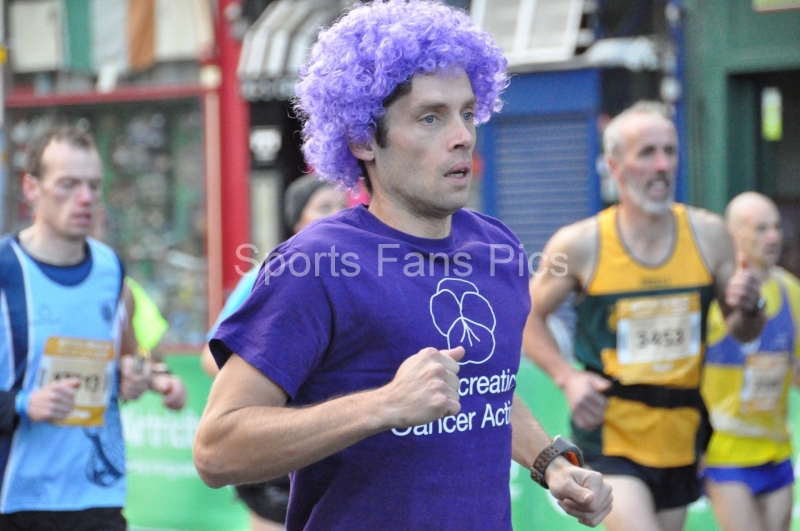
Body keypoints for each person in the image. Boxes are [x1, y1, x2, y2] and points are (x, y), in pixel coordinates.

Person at [193, 1, 613, 530]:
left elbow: (486, 396)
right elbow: (216, 450)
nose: (461, 135)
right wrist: (384, 406)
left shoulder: (499, 250)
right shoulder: (315, 265)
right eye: (431, 117)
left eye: (466, 112)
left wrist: (550, 464)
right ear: (362, 138)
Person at [521, 101, 765, 531]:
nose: (662, 165)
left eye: (669, 151)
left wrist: (752, 306)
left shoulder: (709, 236)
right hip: (611, 432)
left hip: (680, 433)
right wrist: (567, 377)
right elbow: (525, 316)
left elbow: (743, 331)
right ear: (615, 167)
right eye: (647, 153)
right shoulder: (579, 244)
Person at [0, 126, 184, 530]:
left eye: (93, 186)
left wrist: (148, 378)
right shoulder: (6, 270)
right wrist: (22, 404)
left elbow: (122, 360)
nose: (85, 198)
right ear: (31, 188)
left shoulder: (109, 268)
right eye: (68, 184)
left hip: (96, 496)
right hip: (15, 500)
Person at [199, 174, 346, 530]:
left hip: (332, 445)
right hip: (277, 454)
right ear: (298, 221)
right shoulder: (269, 274)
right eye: (323, 208)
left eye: (342, 207)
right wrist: (277, 381)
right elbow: (210, 358)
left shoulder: (353, 277)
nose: (336, 215)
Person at [701, 192, 800, 531]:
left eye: (776, 227)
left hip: (776, 450)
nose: (772, 237)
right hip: (725, 453)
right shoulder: (717, 298)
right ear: (735, 236)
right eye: (760, 229)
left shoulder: (791, 291)